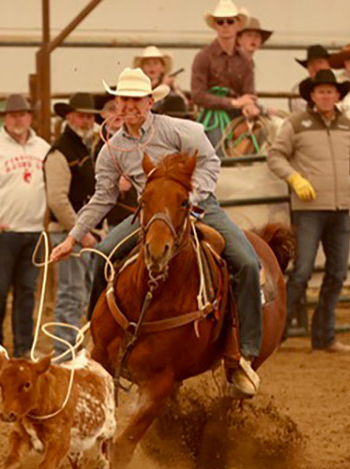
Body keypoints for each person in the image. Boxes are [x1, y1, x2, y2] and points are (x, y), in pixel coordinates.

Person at [51, 67, 263, 398]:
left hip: (199, 207)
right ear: (117, 104)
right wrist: (72, 237)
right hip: (149, 219)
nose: (130, 106)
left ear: (150, 101)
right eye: (124, 99)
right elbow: (103, 197)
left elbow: (210, 163)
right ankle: (98, 341)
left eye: (137, 99)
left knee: (247, 263)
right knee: (102, 255)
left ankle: (244, 353)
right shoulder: (112, 150)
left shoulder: (181, 130)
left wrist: (190, 199)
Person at [267, 69, 350, 352]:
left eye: (331, 91)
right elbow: (275, 155)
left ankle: (324, 336)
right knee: (302, 272)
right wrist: (294, 178)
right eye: (321, 92)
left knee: (337, 273)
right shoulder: (296, 123)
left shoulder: (345, 126)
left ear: (338, 95)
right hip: (309, 210)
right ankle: (276, 334)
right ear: (312, 95)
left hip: (340, 209)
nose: (326, 96)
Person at [0, 94, 50, 358]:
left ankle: (24, 346)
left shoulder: (43, 148)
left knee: (26, 291)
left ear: (30, 117)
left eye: (23, 114)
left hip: (35, 231)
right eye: (13, 115)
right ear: (4, 118)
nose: (18, 119)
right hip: (4, 232)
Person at [44, 93, 101, 360]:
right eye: (82, 115)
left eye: (90, 116)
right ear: (69, 118)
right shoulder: (60, 152)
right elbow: (57, 199)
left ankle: (73, 349)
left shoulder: (82, 148)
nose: (87, 120)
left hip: (83, 233)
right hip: (71, 234)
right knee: (72, 293)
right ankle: (64, 352)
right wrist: (82, 231)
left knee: (83, 293)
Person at [191, 0, 258, 154]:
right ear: (215, 26)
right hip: (213, 114)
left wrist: (249, 105)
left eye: (230, 21)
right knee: (216, 144)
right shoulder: (203, 57)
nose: (225, 25)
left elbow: (249, 93)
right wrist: (234, 102)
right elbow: (198, 95)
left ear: (237, 24)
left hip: (238, 113)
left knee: (266, 132)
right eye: (220, 22)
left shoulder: (246, 60)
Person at [94, 97, 139, 227]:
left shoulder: (137, 138)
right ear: (103, 114)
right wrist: (115, 183)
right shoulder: (98, 145)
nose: (117, 113)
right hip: (113, 214)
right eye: (112, 109)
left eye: (119, 108)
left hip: (136, 208)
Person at [236, 15, 280, 118]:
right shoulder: (235, 62)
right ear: (239, 39)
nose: (253, 39)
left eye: (256, 36)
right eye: (249, 35)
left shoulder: (250, 63)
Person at [133, 46, 185, 115]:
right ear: (142, 68)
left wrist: (167, 87)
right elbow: (148, 109)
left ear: (163, 68)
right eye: (147, 63)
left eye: (155, 63)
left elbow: (184, 104)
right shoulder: (136, 86)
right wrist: (163, 85)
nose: (151, 66)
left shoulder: (173, 87)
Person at [290, 44, 330, 114]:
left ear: (328, 65)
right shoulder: (298, 89)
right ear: (307, 68)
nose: (316, 66)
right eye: (312, 63)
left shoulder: (338, 87)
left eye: (320, 62)